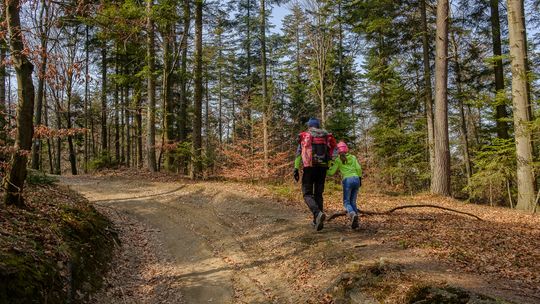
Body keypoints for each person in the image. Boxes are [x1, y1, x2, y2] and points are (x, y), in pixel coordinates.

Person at [293, 118, 337, 231]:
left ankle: (317, 214)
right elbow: (332, 151)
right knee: (318, 194)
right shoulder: (325, 136)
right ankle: (316, 220)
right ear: (318, 126)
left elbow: (299, 154)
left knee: (307, 194)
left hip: (309, 167)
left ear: (309, 126)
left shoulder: (306, 136)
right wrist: (329, 165)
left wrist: (296, 168)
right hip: (322, 168)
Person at [327, 141, 362, 229]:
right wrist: (360, 178)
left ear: (338, 151)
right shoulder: (353, 157)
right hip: (356, 179)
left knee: (346, 202)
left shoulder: (338, 160)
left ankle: (352, 214)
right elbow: (359, 168)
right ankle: (356, 222)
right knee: (353, 202)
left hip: (347, 180)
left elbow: (331, 172)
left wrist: (326, 168)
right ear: (346, 149)